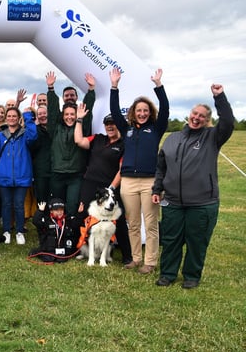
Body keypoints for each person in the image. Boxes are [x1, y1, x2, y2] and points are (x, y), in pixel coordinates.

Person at [152, 84, 234, 289]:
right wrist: (156, 189)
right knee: (170, 240)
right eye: (194, 114)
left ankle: (191, 276)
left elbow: (228, 122)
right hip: (172, 202)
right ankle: (168, 274)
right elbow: (161, 167)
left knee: (197, 242)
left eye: (202, 116)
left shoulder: (213, 137)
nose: (196, 118)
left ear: (207, 121)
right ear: (189, 115)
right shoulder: (172, 139)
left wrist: (219, 97)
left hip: (202, 202)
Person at [110, 67, 169, 274]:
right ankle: (136, 258)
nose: (142, 113)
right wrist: (114, 86)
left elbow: (166, 108)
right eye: (138, 110)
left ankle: (150, 262)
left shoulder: (156, 128)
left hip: (150, 182)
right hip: (128, 182)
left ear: (149, 112)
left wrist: (158, 86)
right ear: (133, 113)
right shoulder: (126, 129)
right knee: (132, 223)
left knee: (151, 224)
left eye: (145, 110)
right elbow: (115, 111)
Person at [74, 105, 132, 264]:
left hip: (110, 187)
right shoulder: (98, 138)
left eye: (113, 123)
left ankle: (127, 256)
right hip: (90, 184)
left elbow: (121, 170)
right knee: (83, 215)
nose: (110, 126)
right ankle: (78, 249)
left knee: (118, 221)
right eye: (107, 124)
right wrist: (79, 119)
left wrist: (111, 188)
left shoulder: (123, 145)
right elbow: (79, 141)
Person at [0, 106, 37, 245]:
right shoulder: (1, 135)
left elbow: (34, 136)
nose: (11, 118)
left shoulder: (25, 134)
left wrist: (28, 116)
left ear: (19, 118)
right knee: (6, 205)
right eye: (9, 116)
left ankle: (19, 231)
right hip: (4, 176)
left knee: (19, 205)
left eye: (14, 116)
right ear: (6, 118)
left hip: (22, 176)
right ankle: (6, 231)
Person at [46, 71, 95, 217]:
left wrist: (91, 90)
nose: (69, 117)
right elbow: (52, 110)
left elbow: (88, 109)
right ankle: (57, 231)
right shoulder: (55, 128)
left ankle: (71, 232)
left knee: (73, 205)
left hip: (76, 175)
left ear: (77, 115)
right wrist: (50, 89)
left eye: (72, 114)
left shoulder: (81, 127)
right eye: (66, 114)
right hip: (57, 174)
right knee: (57, 204)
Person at [29, 198, 80, 263]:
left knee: (63, 258)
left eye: (61, 210)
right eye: (56, 210)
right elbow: (36, 221)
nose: (59, 212)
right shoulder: (47, 221)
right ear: (51, 211)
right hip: (49, 250)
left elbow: (77, 223)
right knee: (48, 258)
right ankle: (37, 251)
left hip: (64, 250)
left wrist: (80, 213)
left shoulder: (68, 220)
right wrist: (40, 211)